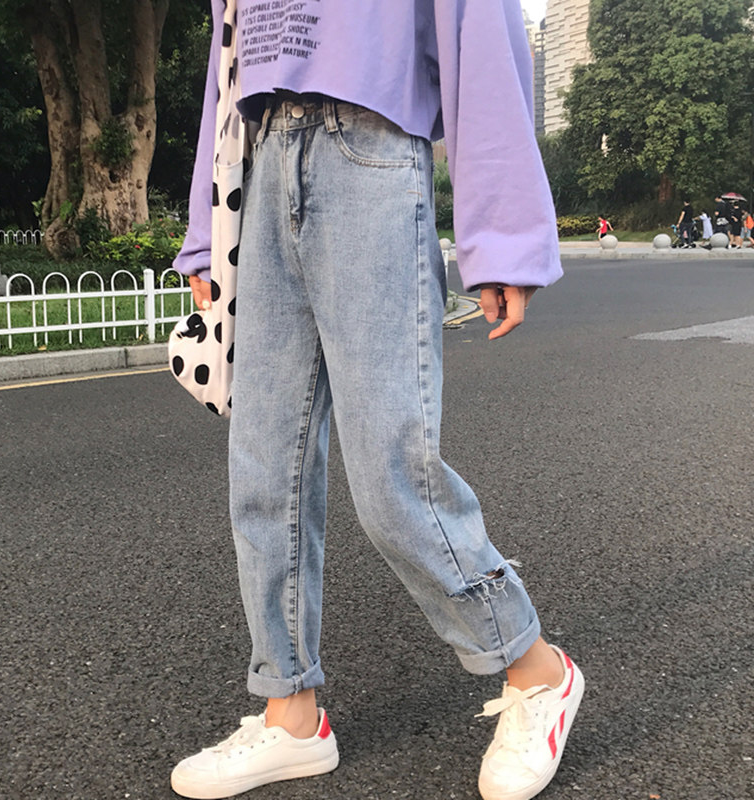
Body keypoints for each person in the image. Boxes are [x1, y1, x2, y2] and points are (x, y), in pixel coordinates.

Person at [170, 2, 584, 800]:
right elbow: (226, 59)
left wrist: (501, 232)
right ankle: (290, 713)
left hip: (372, 152)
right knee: (263, 474)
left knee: (394, 477)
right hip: (262, 159)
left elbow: (475, 24)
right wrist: (206, 228)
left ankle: (538, 671)